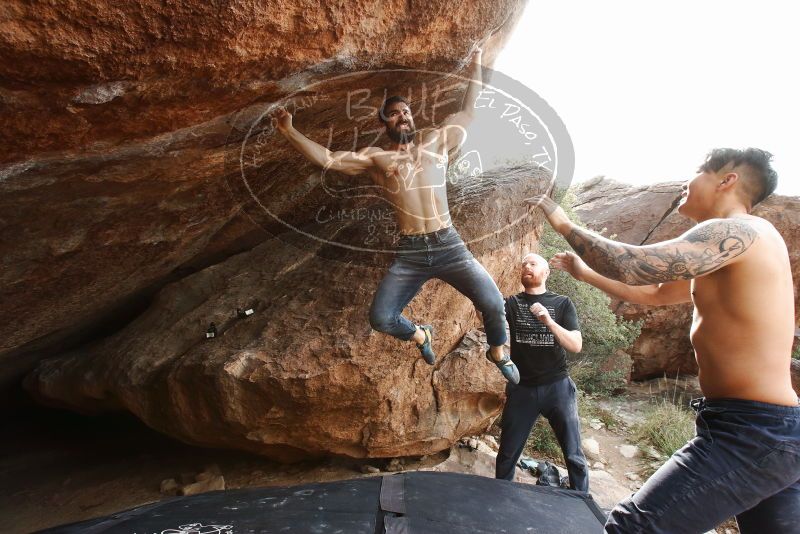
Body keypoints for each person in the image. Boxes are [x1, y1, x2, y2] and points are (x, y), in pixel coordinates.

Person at [528, 148, 800, 533]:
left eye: (698, 171)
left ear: (727, 180)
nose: (688, 183)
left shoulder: (738, 230)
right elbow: (656, 292)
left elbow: (632, 265)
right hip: (769, 431)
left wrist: (560, 219)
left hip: (753, 432)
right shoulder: (735, 249)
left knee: (633, 527)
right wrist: (585, 273)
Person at [270, 46, 519, 383]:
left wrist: (477, 64)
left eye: (406, 111)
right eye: (394, 112)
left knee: (493, 303)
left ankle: (498, 352)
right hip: (412, 251)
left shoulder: (436, 143)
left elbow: (468, 110)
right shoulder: (376, 159)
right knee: (381, 318)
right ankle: (420, 335)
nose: (403, 115)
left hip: (449, 245)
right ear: (384, 122)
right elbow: (329, 158)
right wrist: (289, 131)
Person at [495, 253, 589, 492]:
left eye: (533, 263)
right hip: (521, 388)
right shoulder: (512, 304)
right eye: (523, 263)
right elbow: (487, 316)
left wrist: (548, 321)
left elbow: (576, 345)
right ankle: (498, 500)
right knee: (506, 454)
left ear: (546, 272)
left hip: (557, 386)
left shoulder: (562, 303)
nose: (527, 266)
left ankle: (582, 501)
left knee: (574, 454)